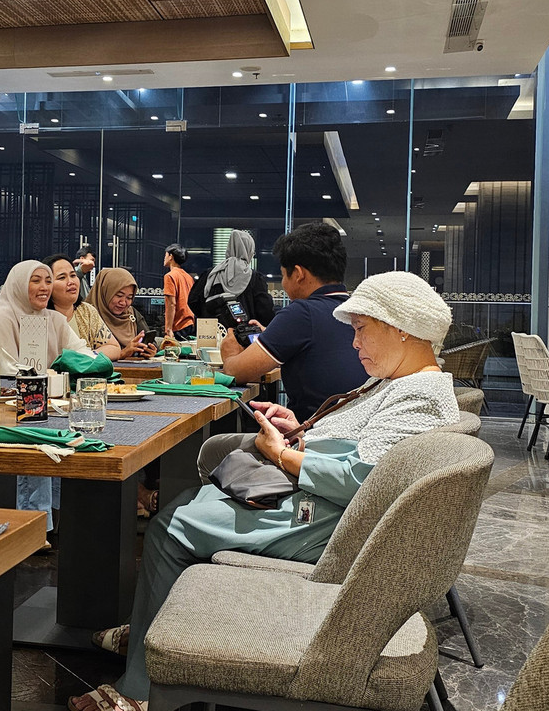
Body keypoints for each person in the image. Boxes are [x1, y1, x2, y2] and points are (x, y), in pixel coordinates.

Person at [69, 271, 460, 711]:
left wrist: (283, 455)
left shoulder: (417, 395)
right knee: (184, 506)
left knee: (169, 529)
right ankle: (151, 626)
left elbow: (363, 480)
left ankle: (139, 689)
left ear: (400, 327)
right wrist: (301, 433)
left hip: (332, 526)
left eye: (361, 329)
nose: (354, 343)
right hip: (327, 508)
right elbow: (363, 450)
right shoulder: (405, 382)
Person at [0, 260, 94, 539]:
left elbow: (84, 355)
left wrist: (88, 363)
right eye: (36, 280)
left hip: (48, 407)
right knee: (39, 438)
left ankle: (61, 519)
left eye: (48, 280)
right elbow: (8, 370)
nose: (44, 287)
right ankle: (34, 529)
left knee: (80, 431)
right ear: (19, 284)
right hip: (1, 410)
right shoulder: (1, 318)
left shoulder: (54, 320)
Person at [218, 223, 367, 422]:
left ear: (298, 274)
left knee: (217, 441)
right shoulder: (358, 312)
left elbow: (236, 373)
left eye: (283, 275)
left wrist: (229, 354)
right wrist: (271, 333)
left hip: (310, 434)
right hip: (356, 429)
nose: (283, 284)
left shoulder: (302, 313)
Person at [41, 254, 122, 361]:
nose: (71, 282)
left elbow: (114, 348)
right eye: (62, 277)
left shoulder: (86, 311)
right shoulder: (40, 315)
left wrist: (86, 357)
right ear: (47, 285)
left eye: (73, 275)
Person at [188, 229, 274, 329]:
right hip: (244, 333)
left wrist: (206, 315)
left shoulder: (210, 274)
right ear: (249, 251)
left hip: (212, 331)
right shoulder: (255, 278)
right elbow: (265, 310)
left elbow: (193, 301)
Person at [84, 268, 157, 360]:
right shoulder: (86, 316)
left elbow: (149, 342)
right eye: (119, 296)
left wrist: (149, 351)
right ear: (105, 291)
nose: (123, 302)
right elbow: (82, 357)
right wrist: (122, 353)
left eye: (129, 297)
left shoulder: (132, 314)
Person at [162, 243, 195, 341]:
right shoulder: (188, 277)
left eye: (165, 255)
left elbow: (171, 304)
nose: (164, 258)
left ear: (171, 256)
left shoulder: (170, 276)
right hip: (190, 323)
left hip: (179, 325)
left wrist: (168, 329)